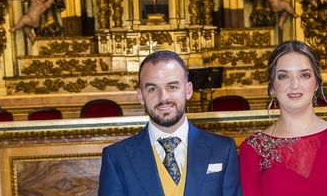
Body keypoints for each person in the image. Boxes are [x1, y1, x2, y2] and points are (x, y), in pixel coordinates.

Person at [239, 40, 327, 196]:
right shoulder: (253, 148)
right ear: (272, 87)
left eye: (304, 75)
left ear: (316, 84)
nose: (294, 84)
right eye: (283, 76)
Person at [98, 50, 241, 195]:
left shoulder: (223, 149)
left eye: (172, 87)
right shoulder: (116, 157)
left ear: (188, 90)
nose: (163, 97)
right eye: (153, 89)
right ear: (141, 96)